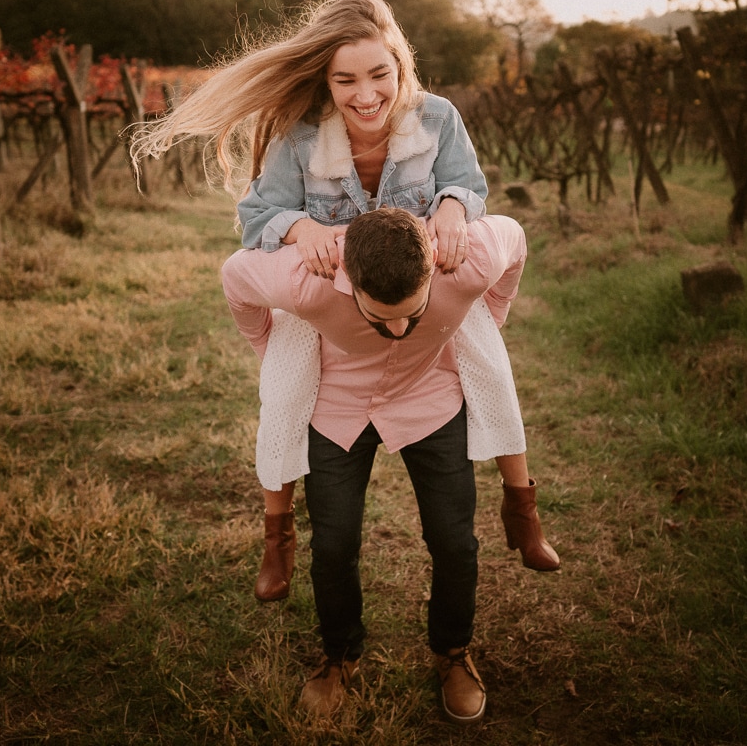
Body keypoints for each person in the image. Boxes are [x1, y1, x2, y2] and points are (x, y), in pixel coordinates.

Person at [129, 0, 558, 606]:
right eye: (345, 79)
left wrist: (455, 211)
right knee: (282, 393)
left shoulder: (438, 118)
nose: (365, 95)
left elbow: (468, 183)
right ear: (325, 81)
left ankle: (521, 505)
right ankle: (277, 535)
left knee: (489, 365)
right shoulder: (302, 137)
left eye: (380, 75)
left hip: (420, 284)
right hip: (332, 295)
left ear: (401, 67)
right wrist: (303, 230)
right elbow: (257, 216)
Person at [221, 206, 530, 723]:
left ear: (434, 266)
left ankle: (453, 653)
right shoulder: (306, 281)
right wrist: (268, 347)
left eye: (412, 311)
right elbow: (235, 278)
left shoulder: (467, 260)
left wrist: (488, 319)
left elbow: (515, 241)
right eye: (379, 315)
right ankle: (340, 656)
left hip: (430, 398)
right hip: (338, 406)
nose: (400, 326)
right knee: (335, 543)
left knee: (455, 540)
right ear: (348, 277)